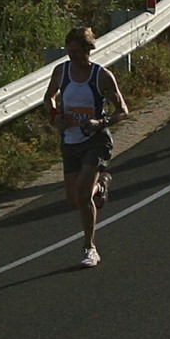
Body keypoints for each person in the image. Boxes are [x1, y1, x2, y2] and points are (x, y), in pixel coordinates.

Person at [45, 25, 129, 269]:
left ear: (88, 49)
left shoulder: (101, 75)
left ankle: (89, 247)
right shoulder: (61, 72)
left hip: (96, 141)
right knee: (74, 200)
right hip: (70, 141)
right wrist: (54, 117)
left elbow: (122, 110)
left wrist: (100, 122)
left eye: (76, 52)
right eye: (69, 52)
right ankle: (101, 185)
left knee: (82, 195)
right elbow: (49, 97)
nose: (73, 57)